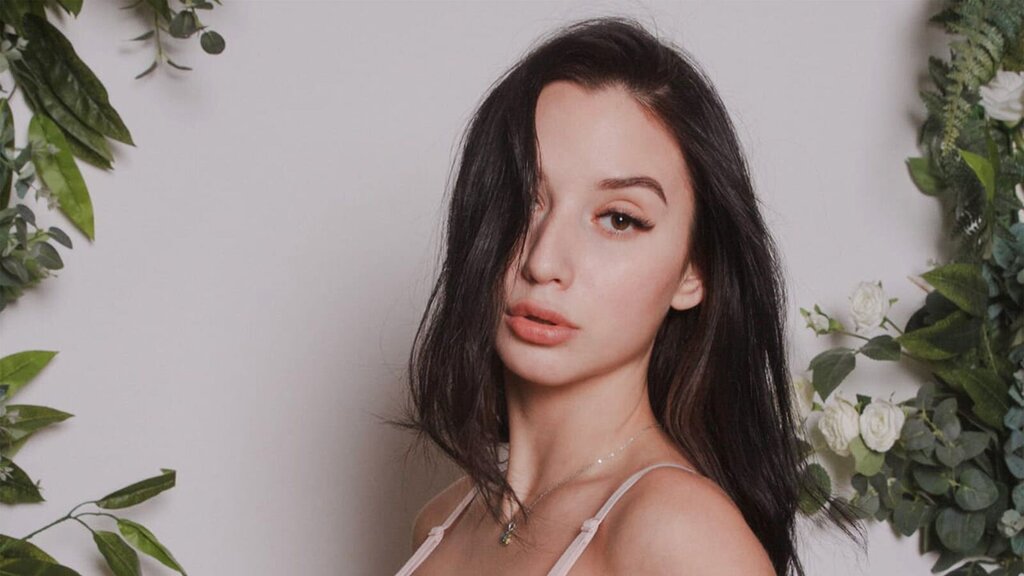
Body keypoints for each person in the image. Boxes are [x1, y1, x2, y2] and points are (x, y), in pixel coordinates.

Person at [388, 16, 865, 575]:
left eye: (618, 219)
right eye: (522, 201)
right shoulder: (441, 522)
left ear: (694, 271)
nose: (543, 262)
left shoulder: (682, 534)